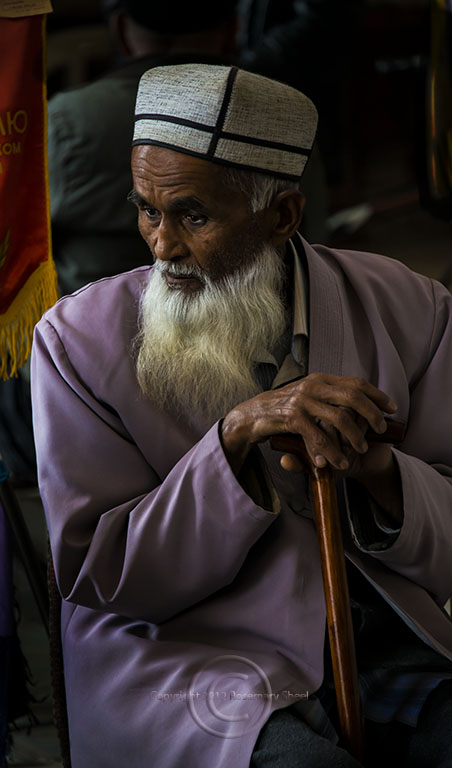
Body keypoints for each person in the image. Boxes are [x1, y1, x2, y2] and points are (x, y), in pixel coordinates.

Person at [31, 64, 452, 768]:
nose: (162, 245)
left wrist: (380, 472)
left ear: (282, 215)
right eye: (147, 211)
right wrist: (233, 438)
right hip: (190, 661)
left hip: (377, 636)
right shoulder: (75, 342)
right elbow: (104, 575)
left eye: (194, 216)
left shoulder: (414, 308)